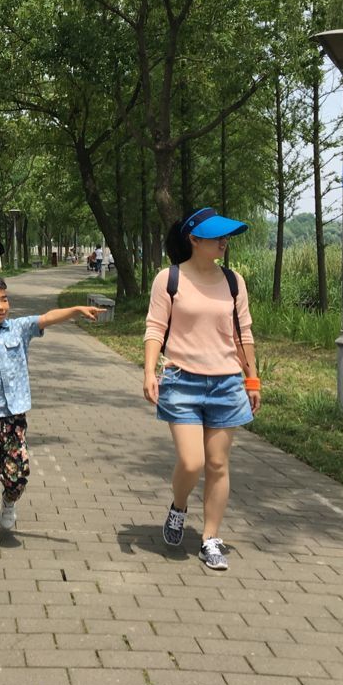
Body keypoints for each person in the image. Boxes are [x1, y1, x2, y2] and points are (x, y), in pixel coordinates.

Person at [142, 207, 261, 572]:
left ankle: (210, 538)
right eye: (216, 236)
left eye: (226, 236)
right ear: (194, 239)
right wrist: (149, 371)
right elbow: (155, 327)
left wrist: (252, 379)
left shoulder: (234, 282)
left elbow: (243, 333)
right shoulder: (169, 279)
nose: (224, 242)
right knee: (192, 462)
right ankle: (179, 507)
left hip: (227, 383)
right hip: (181, 381)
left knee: (218, 464)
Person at [0, 273, 102, 559]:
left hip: (14, 418)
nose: (0, 306)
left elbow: (46, 318)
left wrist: (75, 310)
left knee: (17, 475)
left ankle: (9, 501)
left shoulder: (18, 329)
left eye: (4, 299)